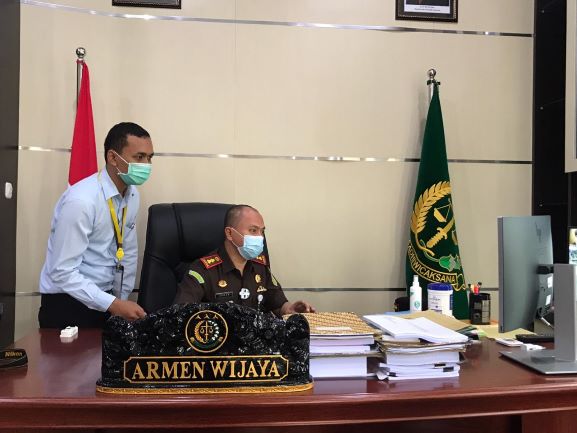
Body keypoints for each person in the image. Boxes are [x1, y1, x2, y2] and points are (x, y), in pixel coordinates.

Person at [38, 122, 154, 328]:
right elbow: (62, 271)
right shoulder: (82, 200)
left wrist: (120, 300)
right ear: (112, 158)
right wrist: (113, 304)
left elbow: (127, 251)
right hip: (68, 302)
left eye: (149, 158)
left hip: (106, 301)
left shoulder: (132, 195)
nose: (146, 165)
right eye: (139, 157)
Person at [174, 205, 315, 316]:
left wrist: (290, 309)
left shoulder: (260, 266)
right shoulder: (203, 270)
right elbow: (181, 313)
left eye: (262, 231)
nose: (260, 237)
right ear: (230, 233)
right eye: (253, 230)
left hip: (258, 342)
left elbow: (277, 303)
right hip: (220, 342)